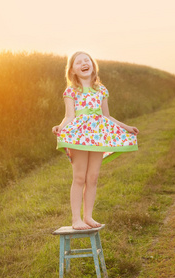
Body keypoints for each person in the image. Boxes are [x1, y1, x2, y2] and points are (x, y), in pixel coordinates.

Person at [52, 51, 139, 230]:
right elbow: (69, 116)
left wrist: (126, 127)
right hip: (79, 136)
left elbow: (107, 116)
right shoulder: (71, 91)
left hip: (98, 136)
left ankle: (88, 217)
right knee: (79, 177)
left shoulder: (101, 90)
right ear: (73, 70)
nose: (84, 63)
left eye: (87, 60)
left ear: (92, 65)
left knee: (92, 177)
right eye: (78, 62)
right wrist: (60, 127)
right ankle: (76, 219)